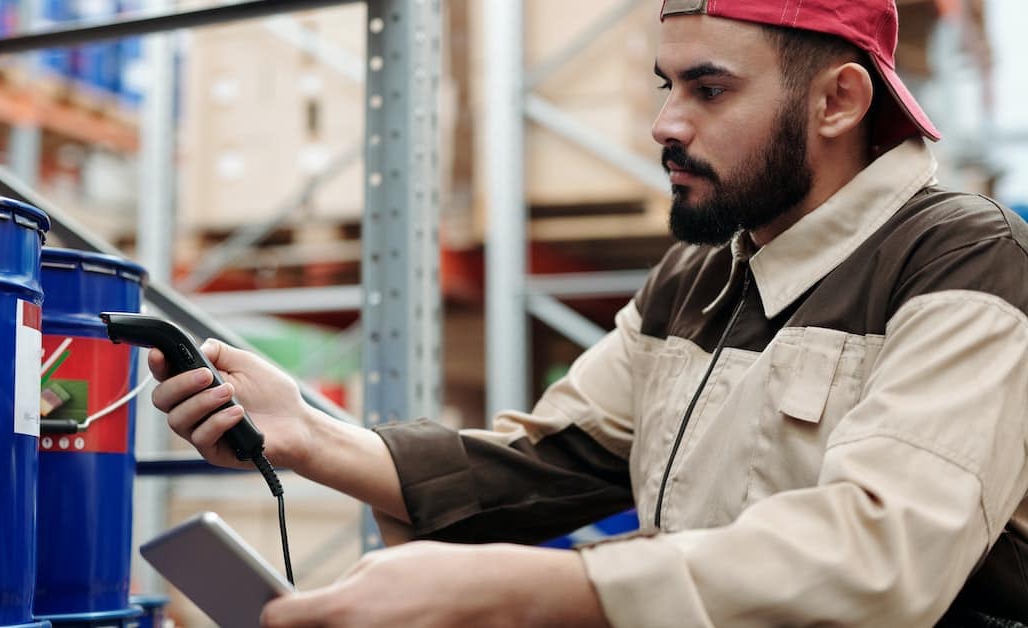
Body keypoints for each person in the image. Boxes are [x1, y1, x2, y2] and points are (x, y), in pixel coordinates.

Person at [150, 0, 1028, 625]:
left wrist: (525, 592)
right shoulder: (697, 276)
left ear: (839, 100)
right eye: (664, 84)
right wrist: (306, 433)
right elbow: (557, 460)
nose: (664, 124)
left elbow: (882, 557)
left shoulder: (966, 264)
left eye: (708, 90)